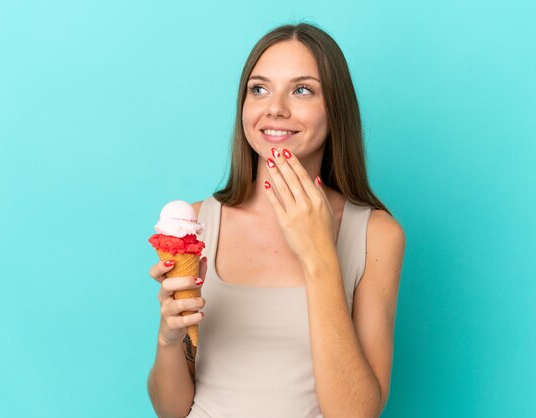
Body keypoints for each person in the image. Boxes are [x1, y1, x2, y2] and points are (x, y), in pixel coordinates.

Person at [147, 22, 405, 418]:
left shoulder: (376, 235)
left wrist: (319, 256)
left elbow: (356, 413)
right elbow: (170, 411)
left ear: (336, 109)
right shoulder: (198, 223)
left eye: (302, 89)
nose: (275, 109)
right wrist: (169, 339)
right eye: (259, 88)